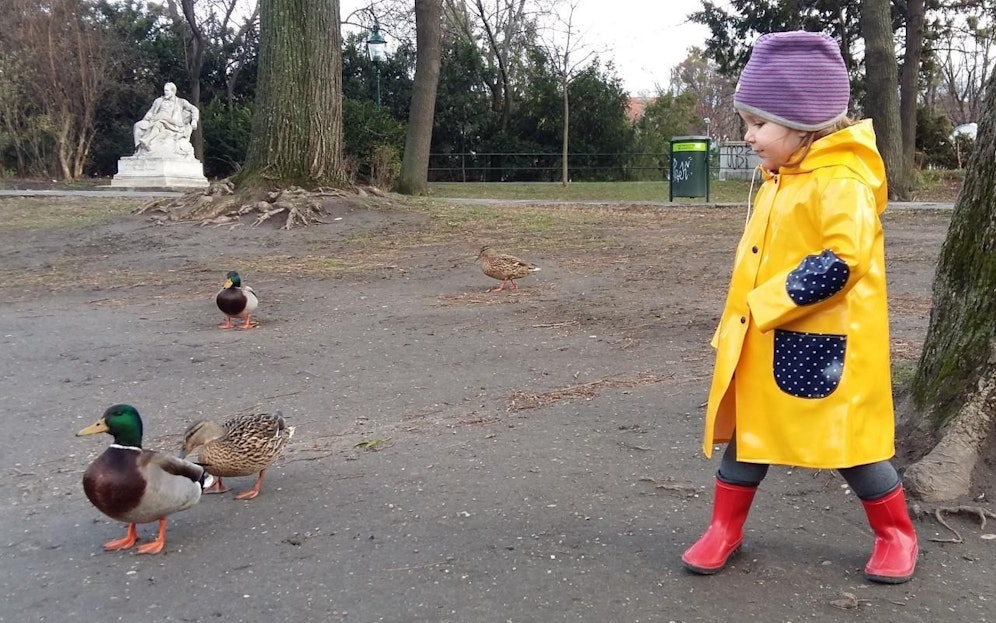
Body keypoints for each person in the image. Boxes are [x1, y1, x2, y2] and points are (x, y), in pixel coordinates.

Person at [681, 31, 918, 584]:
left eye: (758, 123)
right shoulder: (780, 179)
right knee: (749, 440)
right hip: (765, 341)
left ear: (804, 123)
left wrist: (765, 304)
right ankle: (724, 528)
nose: (748, 136)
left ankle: (896, 534)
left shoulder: (840, 182)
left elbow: (843, 260)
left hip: (826, 346)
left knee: (851, 446)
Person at [133, 82, 199, 157]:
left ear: (173, 91)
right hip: (154, 119)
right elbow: (151, 111)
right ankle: (138, 151)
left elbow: (194, 109)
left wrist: (194, 120)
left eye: (167, 91)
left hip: (171, 123)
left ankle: (147, 140)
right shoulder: (158, 101)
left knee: (160, 122)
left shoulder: (181, 102)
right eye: (164, 91)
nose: (165, 92)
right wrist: (148, 116)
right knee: (137, 125)